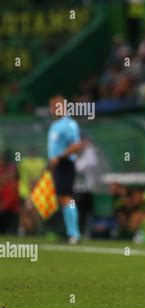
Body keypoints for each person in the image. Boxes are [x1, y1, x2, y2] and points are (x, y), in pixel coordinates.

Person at [47, 95, 84, 244]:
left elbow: (77, 145)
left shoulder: (69, 124)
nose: (53, 110)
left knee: (67, 197)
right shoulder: (55, 125)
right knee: (62, 198)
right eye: (52, 106)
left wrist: (60, 157)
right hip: (58, 166)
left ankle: (75, 234)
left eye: (56, 106)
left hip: (66, 164)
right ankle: (70, 233)